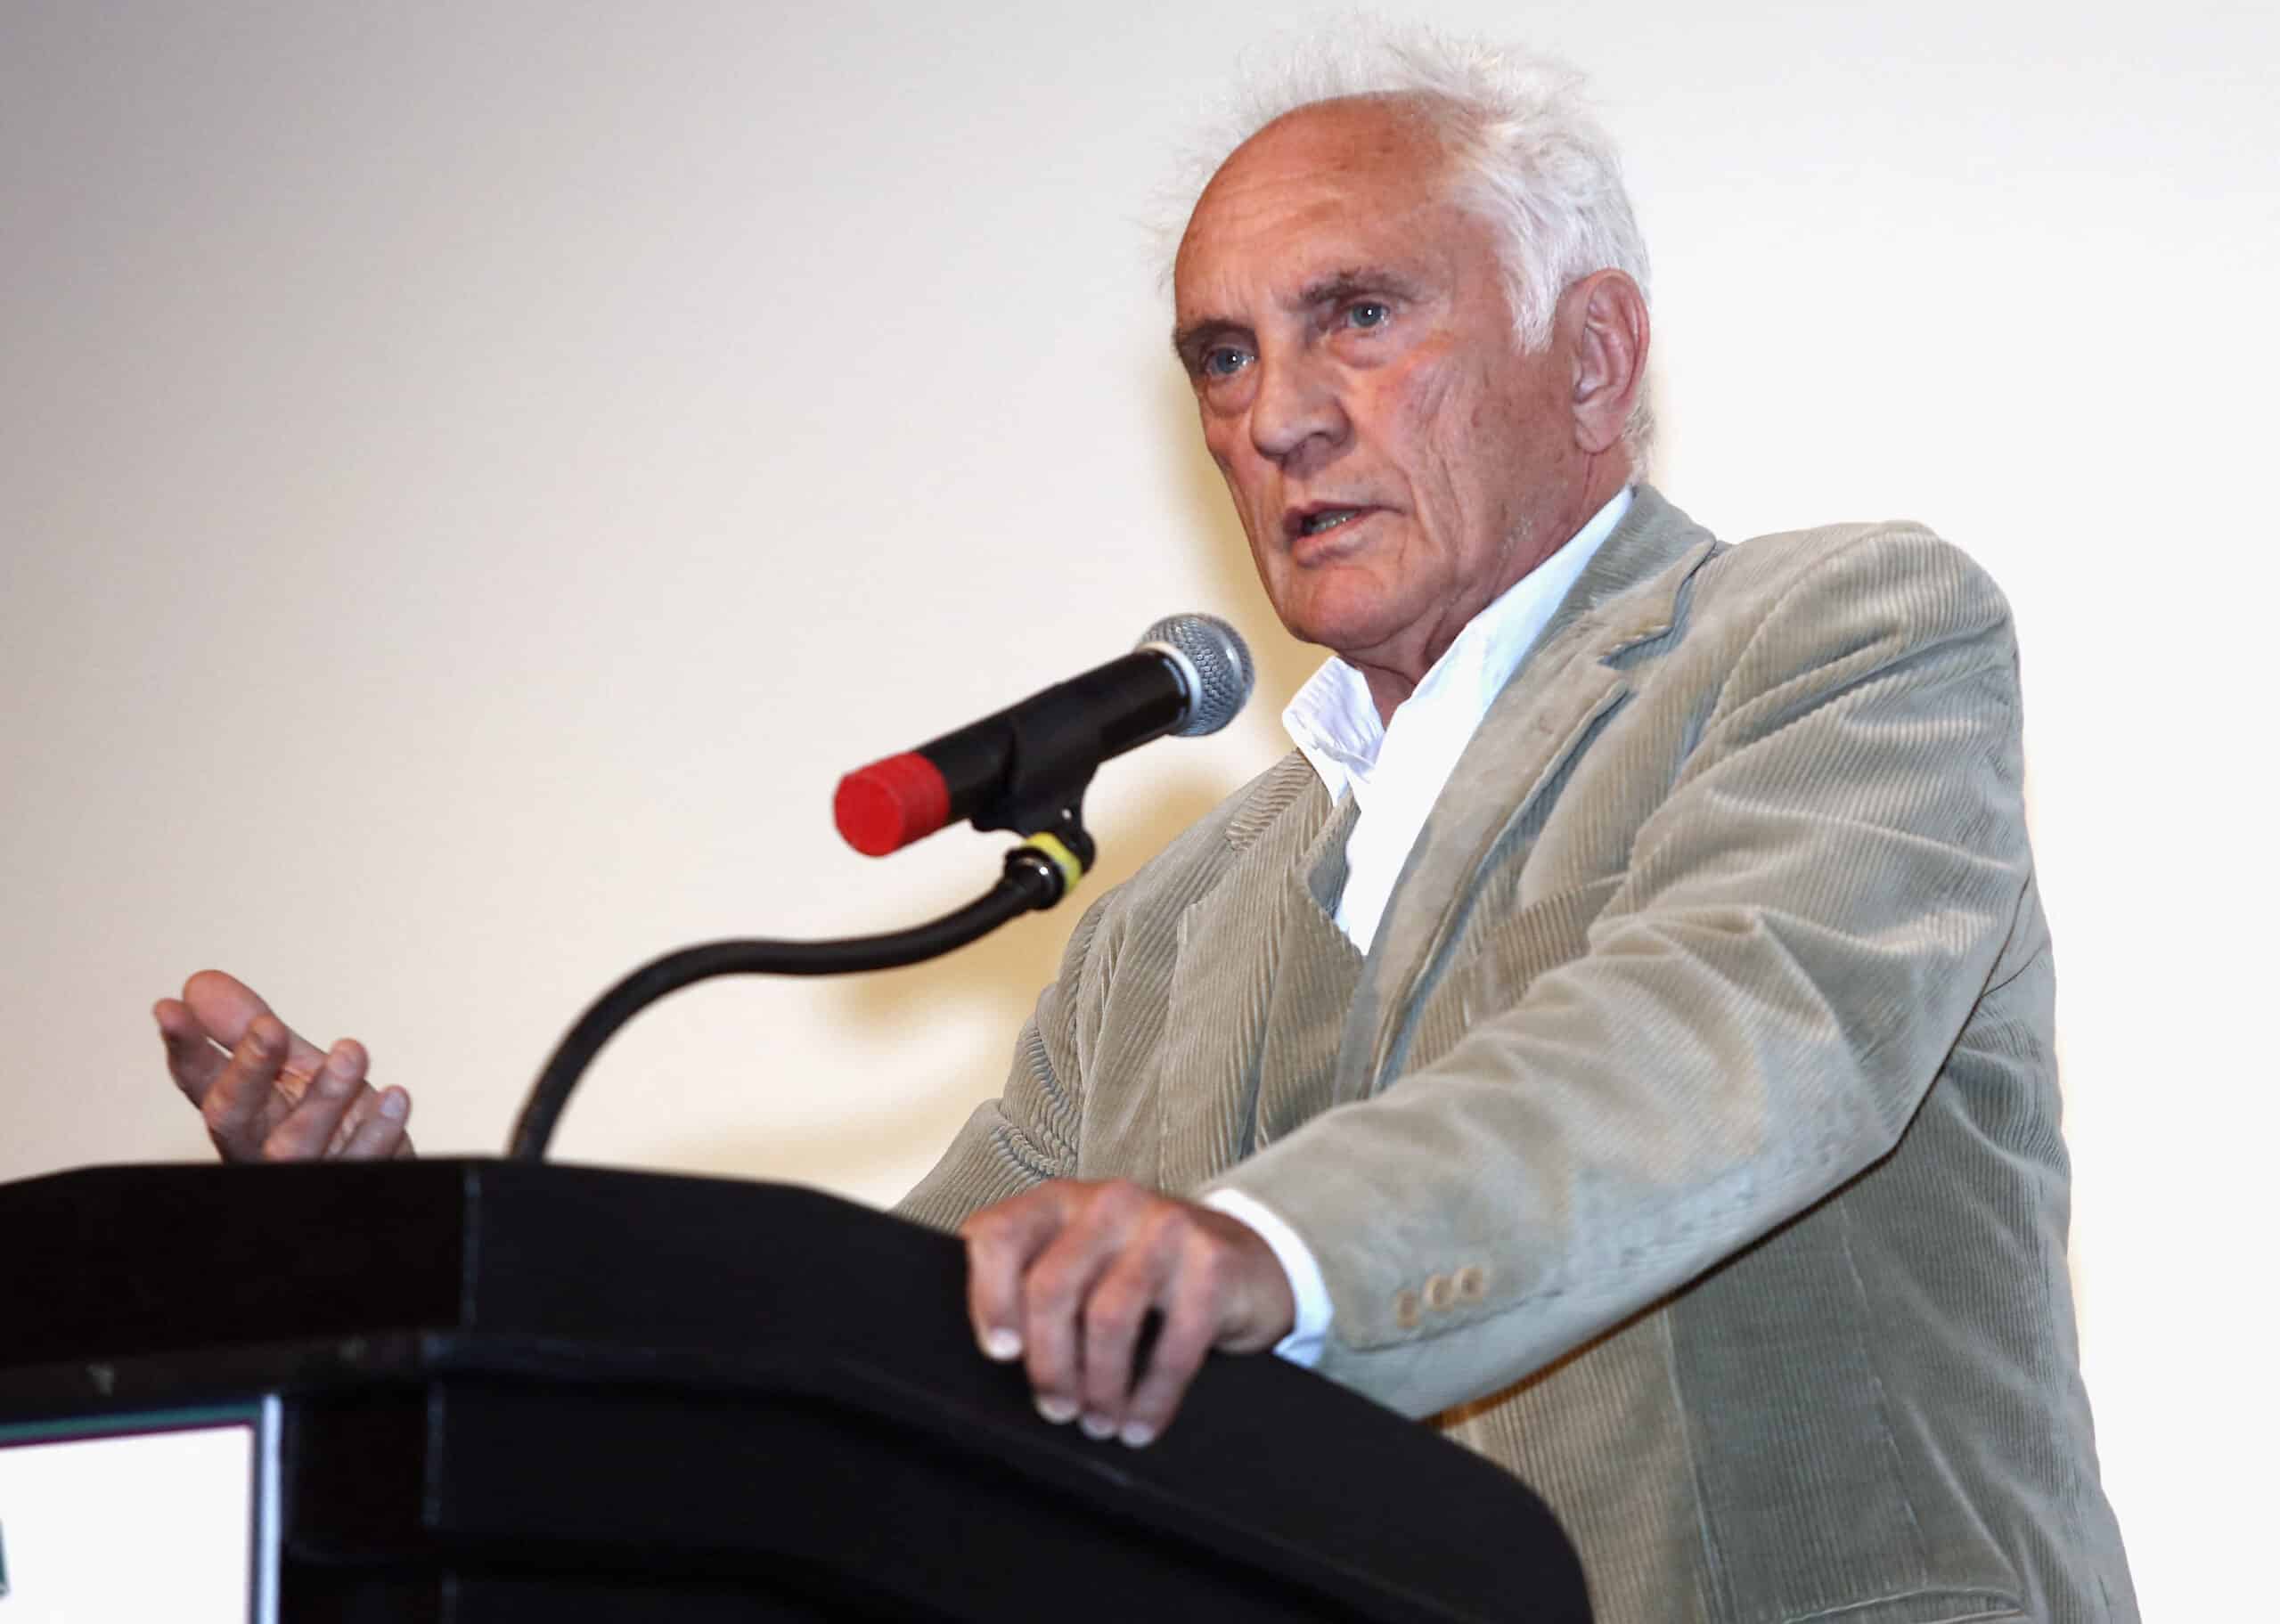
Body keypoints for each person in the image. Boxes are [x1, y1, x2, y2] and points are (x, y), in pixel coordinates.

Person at [155, 37, 2137, 1624]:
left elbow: (1719, 1041)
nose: (1275, 415)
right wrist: (404, 1269)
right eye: (1221, 353)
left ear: (1592, 357)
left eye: (1354, 315)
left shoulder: (1832, 642)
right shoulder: (1165, 921)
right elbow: (870, 1366)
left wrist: (1259, 1242)